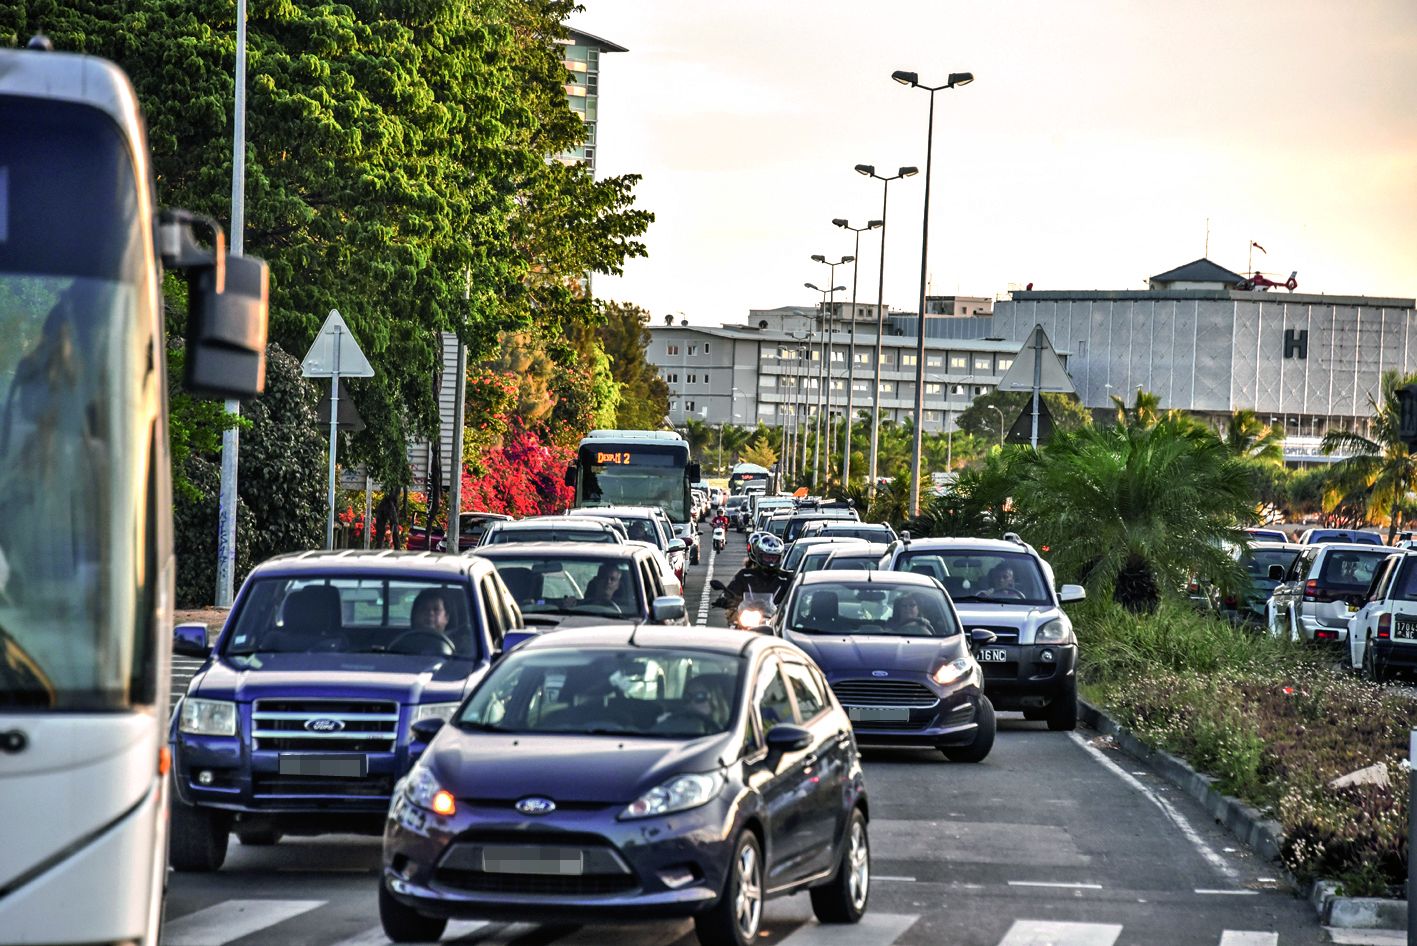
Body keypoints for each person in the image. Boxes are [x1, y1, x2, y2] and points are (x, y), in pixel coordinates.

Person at [714, 533, 785, 616]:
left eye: (774, 558)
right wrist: (725, 598)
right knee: (733, 620)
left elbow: (796, 599)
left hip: (776, 620)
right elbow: (733, 589)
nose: (771, 561)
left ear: (780, 558)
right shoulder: (745, 575)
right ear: (759, 555)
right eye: (767, 557)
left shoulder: (786, 578)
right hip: (747, 617)